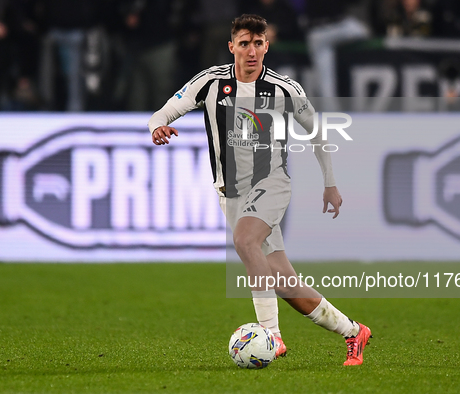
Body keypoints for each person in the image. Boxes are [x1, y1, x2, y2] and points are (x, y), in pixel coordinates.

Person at [148, 14, 371, 366]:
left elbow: (318, 132)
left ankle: (272, 335)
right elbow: (163, 112)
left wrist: (330, 182)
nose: (251, 51)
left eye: (258, 43)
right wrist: (157, 126)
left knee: (245, 241)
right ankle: (354, 332)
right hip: (230, 192)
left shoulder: (285, 89)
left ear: (267, 45)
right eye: (244, 43)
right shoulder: (209, 82)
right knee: (284, 283)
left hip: (272, 183)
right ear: (231, 46)